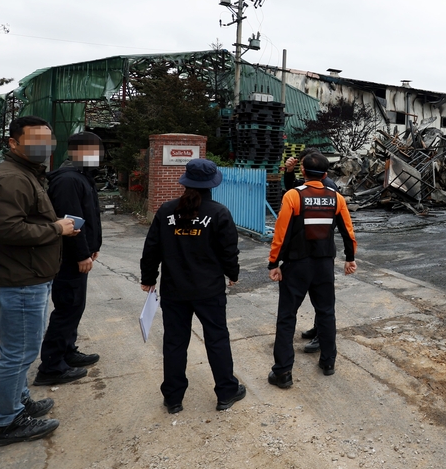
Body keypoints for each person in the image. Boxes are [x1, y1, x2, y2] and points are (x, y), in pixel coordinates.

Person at [0, 116, 79, 448]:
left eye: (47, 140)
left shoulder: (26, 175)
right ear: (13, 143)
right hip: (17, 280)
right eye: (35, 140)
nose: (43, 147)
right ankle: (6, 421)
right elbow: (7, 230)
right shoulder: (11, 179)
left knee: (19, 349)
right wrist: (56, 229)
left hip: (24, 276)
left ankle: (19, 401)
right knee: (19, 353)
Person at [140, 158, 245, 413]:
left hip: (175, 289)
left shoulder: (166, 211)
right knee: (217, 339)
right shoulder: (219, 212)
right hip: (209, 290)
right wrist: (232, 274)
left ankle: (173, 398)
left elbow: (152, 247)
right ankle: (226, 393)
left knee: (175, 342)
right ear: (212, 184)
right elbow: (228, 250)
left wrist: (148, 278)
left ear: (185, 181)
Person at [267, 152, 357, 389]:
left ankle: (283, 372)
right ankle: (328, 362)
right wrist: (350, 258)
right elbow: (348, 231)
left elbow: (281, 233)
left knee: (287, 317)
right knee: (326, 312)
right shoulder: (336, 198)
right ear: (326, 175)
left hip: (297, 265)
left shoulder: (293, 196)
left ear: (303, 172)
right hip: (324, 264)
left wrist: (274, 263)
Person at [35, 132, 104, 386]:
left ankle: (67, 351)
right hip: (67, 258)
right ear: (75, 152)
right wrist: (82, 253)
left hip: (78, 254)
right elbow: (71, 221)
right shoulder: (68, 180)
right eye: (91, 151)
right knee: (68, 307)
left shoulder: (81, 177)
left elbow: (89, 216)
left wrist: (92, 246)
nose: (97, 157)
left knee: (75, 305)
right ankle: (52, 366)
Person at [280, 147, 338, 354]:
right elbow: (289, 191)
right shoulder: (303, 187)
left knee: (320, 305)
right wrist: (288, 172)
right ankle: (319, 333)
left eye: (302, 165)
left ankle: (321, 340)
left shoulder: (328, 187)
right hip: (312, 252)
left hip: (315, 252)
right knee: (322, 302)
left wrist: (274, 262)